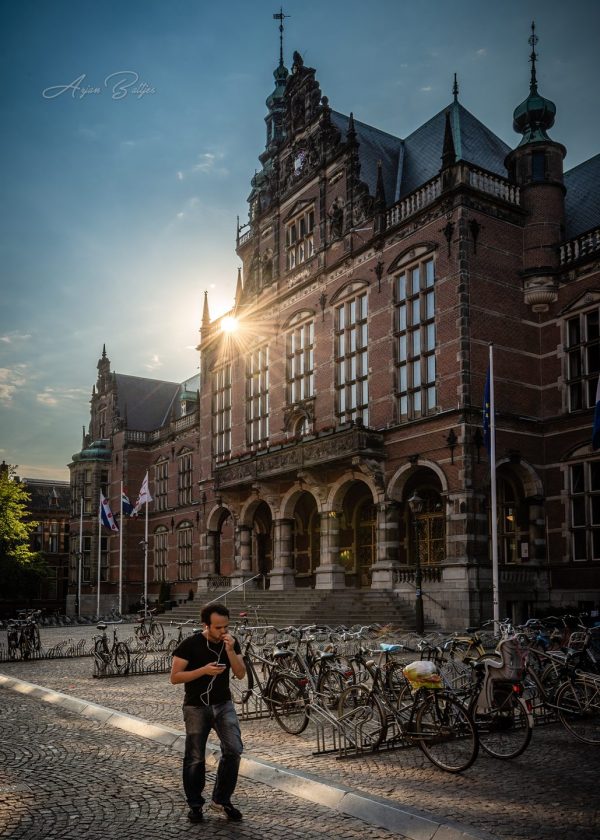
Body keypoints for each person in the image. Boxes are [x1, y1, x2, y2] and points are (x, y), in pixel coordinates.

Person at [170, 602, 246, 823]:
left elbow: (240, 674)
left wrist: (231, 650)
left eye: (226, 627)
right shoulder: (190, 645)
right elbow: (175, 677)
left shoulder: (231, 643)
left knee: (234, 750)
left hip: (224, 705)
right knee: (195, 757)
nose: (223, 632)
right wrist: (203, 671)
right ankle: (195, 805)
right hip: (196, 706)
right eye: (218, 628)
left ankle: (221, 800)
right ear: (206, 625)